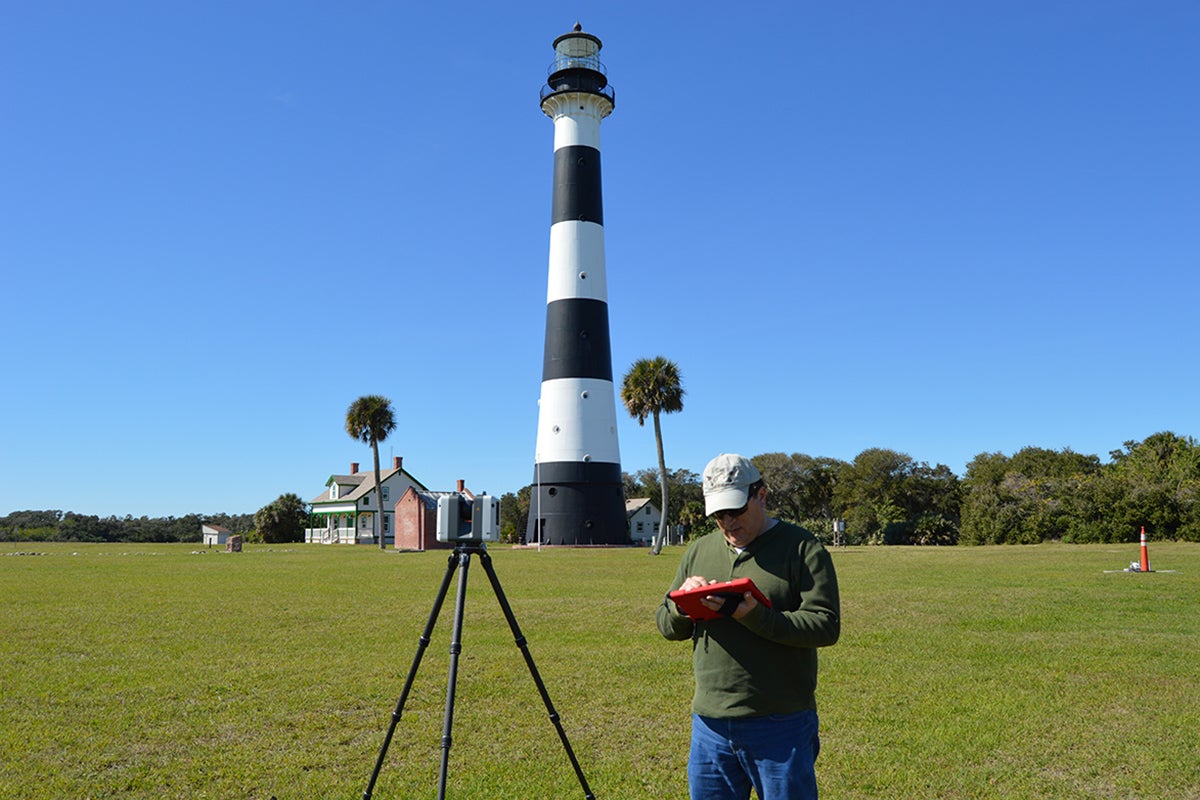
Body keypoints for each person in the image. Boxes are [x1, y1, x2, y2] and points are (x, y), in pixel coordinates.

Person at [656, 453, 841, 800]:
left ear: (761, 495)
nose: (727, 522)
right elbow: (666, 624)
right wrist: (683, 605)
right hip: (709, 725)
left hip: (780, 724)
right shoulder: (698, 551)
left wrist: (754, 615)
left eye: (736, 510)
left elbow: (825, 625)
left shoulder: (802, 548)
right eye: (718, 515)